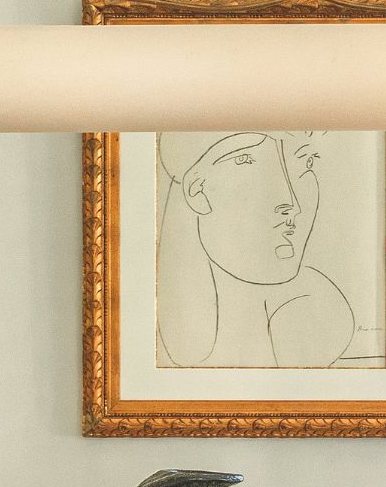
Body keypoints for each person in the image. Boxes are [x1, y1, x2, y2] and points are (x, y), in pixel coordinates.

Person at [154, 130, 360, 368]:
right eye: (246, 160)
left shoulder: (325, 318)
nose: (291, 202)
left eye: (306, 162)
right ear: (197, 190)